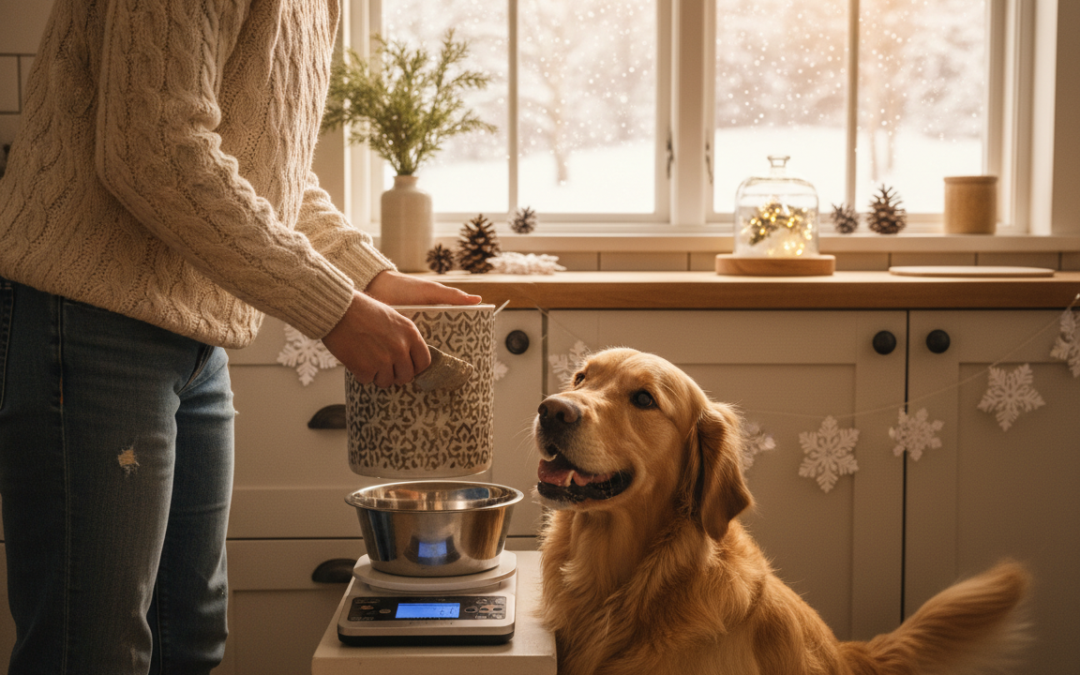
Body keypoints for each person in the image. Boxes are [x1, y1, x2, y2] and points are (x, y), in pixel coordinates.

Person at [0, 0, 480, 672]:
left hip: (194, 336)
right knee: (92, 651)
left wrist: (367, 277)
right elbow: (154, 151)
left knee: (188, 641)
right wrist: (335, 309)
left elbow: (262, 166)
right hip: (91, 322)